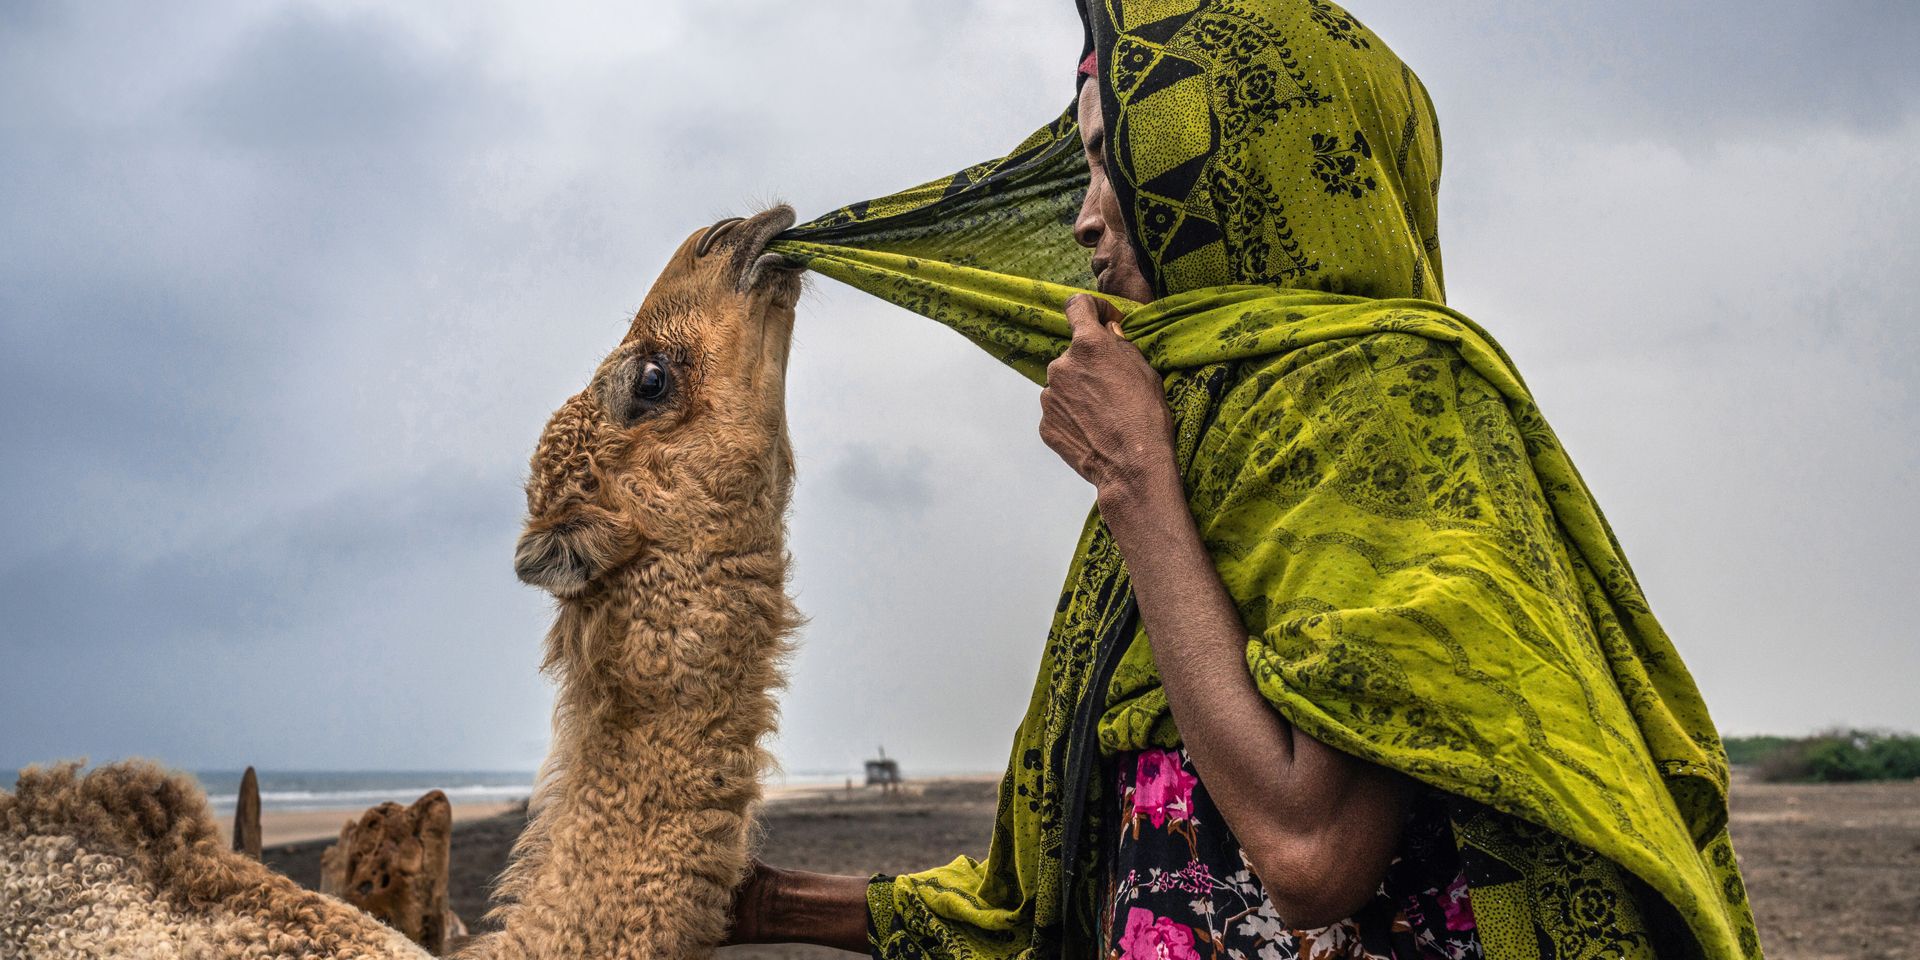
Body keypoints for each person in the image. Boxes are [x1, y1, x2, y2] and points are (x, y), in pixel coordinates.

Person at [737, 2, 1763, 959]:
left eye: (1112, 165)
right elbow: (1054, 903)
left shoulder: (1382, 408)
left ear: (1230, 166)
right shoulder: (1206, 448)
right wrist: (762, 904)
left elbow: (1310, 856)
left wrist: (1132, 482)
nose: (1087, 219)